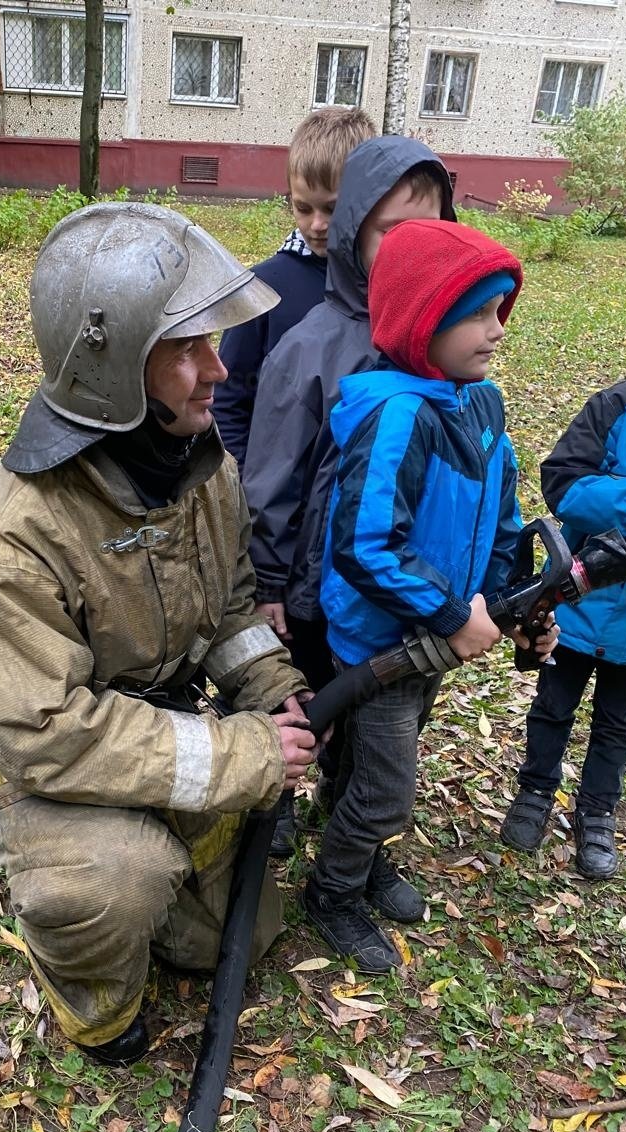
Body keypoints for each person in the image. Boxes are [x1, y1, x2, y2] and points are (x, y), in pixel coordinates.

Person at [0, 203, 319, 1067]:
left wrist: (271, 693)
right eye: (186, 348)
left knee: (223, 943)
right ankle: (93, 1008)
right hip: (32, 750)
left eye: (213, 341)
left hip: (137, 712)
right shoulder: (9, 546)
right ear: (114, 371)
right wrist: (240, 754)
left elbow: (230, 606)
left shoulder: (203, 468)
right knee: (114, 883)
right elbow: (44, 735)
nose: (219, 368)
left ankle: (172, 855)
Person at [308, 219, 556, 973]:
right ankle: (334, 889)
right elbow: (365, 545)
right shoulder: (396, 413)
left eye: (500, 311)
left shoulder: (480, 404)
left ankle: (355, 848)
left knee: (360, 770)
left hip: (437, 646)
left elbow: (503, 519)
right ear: (423, 321)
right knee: (387, 791)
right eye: (478, 314)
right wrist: (453, 613)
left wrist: (515, 605)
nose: (496, 332)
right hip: (384, 645)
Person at [242, 136, 456, 855]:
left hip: (404, 594)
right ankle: (270, 812)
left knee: (383, 725)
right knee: (307, 704)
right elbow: (271, 473)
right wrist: (268, 580)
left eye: (429, 232)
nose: (411, 247)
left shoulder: (444, 345)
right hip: (315, 588)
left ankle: (348, 830)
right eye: (393, 232)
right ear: (357, 228)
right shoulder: (312, 343)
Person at [500, 292, 626, 879]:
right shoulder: (620, 404)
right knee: (553, 704)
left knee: (620, 721)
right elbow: (562, 482)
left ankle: (597, 813)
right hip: (580, 599)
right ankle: (535, 791)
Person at [213, 105, 376, 471]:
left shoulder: (383, 287)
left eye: (332, 209)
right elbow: (227, 400)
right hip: (275, 497)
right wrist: (245, 486)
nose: (317, 224)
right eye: (303, 208)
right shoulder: (262, 289)